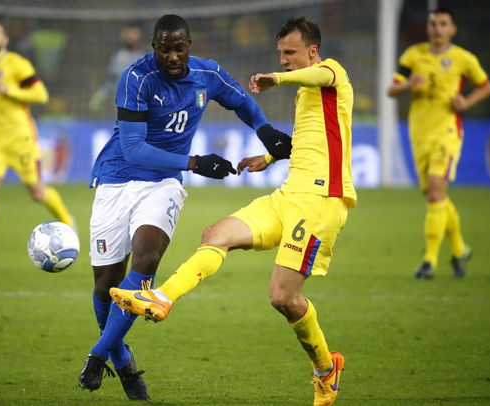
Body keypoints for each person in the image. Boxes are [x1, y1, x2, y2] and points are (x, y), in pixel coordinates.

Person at [110, 17, 355, 406]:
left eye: (291, 54)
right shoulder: (308, 96)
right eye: (280, 55)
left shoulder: (331, 73)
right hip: (288, 195)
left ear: (312, 51)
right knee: (216, 233)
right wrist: (271, 155)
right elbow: (312, 142)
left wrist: (277, 77)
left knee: (283, 298)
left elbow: (321, 74)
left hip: (321, 201)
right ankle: (162, 298)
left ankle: (326, 369)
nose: (286, 60)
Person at [78, 14, 292, 401]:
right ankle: (122, 358)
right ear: (154, 47)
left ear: (189, 45)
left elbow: (241, 102)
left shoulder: (207, 75)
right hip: (116, 176)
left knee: (146, 259)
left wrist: (265, 131)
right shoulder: (136, 78)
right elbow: (134, 148)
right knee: (105, 287)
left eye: (179, 48)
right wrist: (195, 163)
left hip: (162, 185)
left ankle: (97, 356)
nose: (173, 56)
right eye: (164, 49)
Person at [0, 21, 74, 269]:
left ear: (5, 39)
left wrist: (9, 89)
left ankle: (67, 221)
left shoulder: (17, 64)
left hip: (21, 139)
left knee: (37, 193)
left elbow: (41, 95)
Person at [387, 8, 490, 279]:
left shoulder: (463, 58)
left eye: (443, 24)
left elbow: (486, 85)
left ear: (453, 29)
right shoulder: (413, 55)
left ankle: (429, 261)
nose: (436, 28)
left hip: (447, 132)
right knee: (436, 197)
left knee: (435, 193)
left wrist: (466, 102)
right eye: (433, 23)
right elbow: (391, 89)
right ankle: (459, 249)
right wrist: (409, 83)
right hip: (419, 132)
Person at [89, 25, 146, 112]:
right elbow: (110, 80)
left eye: (135, 34)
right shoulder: (118, 57)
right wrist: (100, 96)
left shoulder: (144, 58)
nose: (132, 37)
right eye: (130, 35)